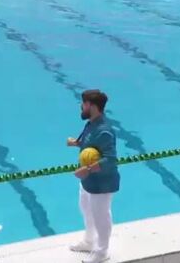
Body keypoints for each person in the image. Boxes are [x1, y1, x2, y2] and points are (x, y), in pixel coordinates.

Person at [68, 90, 119, 263]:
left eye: (84, 103)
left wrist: (88, 169)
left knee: (101, 215)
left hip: (102, 183)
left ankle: (102, 252)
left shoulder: (104, 130)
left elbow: (110, 159)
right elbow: (92, 148)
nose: (81, 106)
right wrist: (78, 143)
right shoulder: (91, 124)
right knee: (86, 210)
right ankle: (89, 241)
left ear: (93, 106)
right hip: (88, 181)